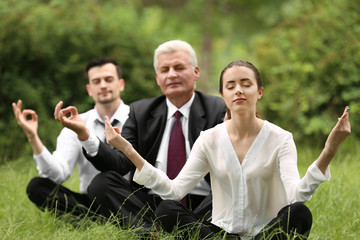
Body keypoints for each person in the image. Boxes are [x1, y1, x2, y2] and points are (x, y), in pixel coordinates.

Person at [103, 60, 351, 239]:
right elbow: (174, 190)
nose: (239, 90)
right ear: (223, 94)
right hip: (219, 234)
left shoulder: (281, 139)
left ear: (260, 91)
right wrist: (127, 149)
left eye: (246, 84)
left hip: (265, 233)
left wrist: (330, 148)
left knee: (299, 212)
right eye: (231, 86)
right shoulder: (209, 139)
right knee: (167, 208)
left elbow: (296, 196)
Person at [55, 40, 226, 229]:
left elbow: (227, 168)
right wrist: (85, 135)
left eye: (179, 67)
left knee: (229, 190)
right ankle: (149, 232)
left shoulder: (218, 109)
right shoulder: (140, 111)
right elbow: (120, 164)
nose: (172, 74)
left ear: (196, 72)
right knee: (102, 183)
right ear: (157, 78)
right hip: (152, 200)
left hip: (202, 201)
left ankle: (193, 226)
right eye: (165, 69)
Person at [12, 57, 130, 218]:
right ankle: (95, 220)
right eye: (96, 81)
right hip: (92, 202)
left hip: (132, 200)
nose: (103, 85)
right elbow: (58, 174)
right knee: (37, 186)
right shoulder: (75, 124)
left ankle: (123, 219)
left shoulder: (138, 118)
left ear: (121, 84)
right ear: (89, 89)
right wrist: (33, 137)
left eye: (108, 79)